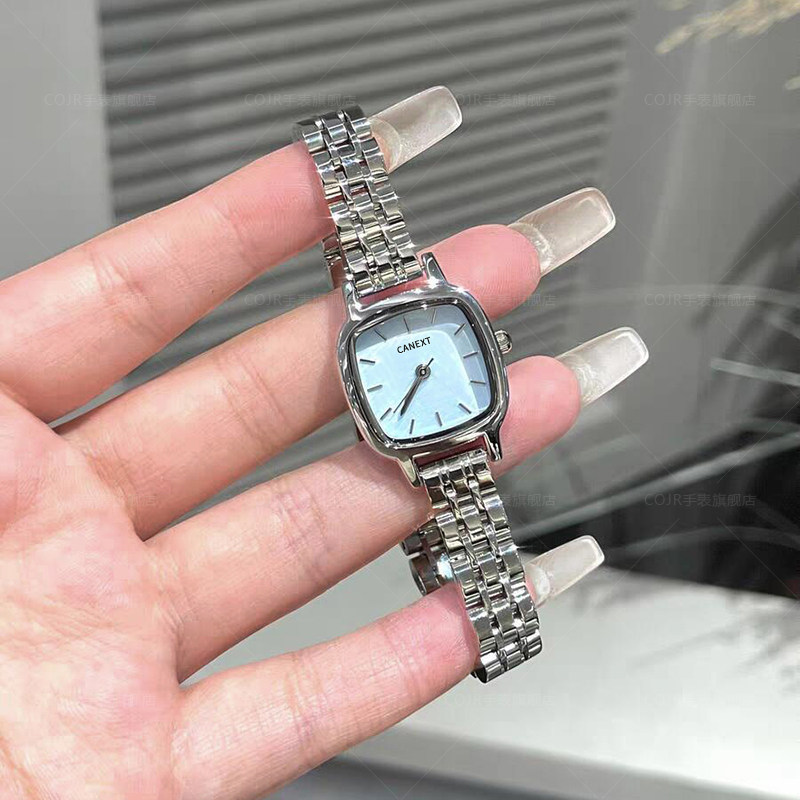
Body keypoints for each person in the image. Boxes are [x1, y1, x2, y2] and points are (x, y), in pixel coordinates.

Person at [0, 88, 646, 798]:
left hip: (454, 428)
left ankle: (452, 563)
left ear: (489, 343)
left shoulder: (438, 314)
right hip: (429, 435)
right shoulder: (396, 353)